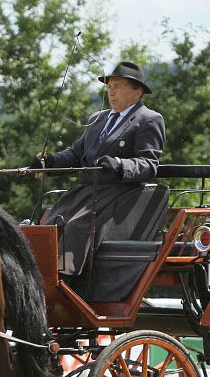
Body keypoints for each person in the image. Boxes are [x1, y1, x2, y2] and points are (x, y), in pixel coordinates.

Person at [33, 61, 165, 281]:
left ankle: (66, 278)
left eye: (118, 86)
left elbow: (148, 164)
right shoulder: (97, 119)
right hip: (86, 192)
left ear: (137, 91)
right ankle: (41, 275)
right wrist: (49, 161)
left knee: (75, 226)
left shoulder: (148, 119)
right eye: (109, 87)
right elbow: (75, 154)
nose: (111, 92)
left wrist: (119, 165)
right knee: (51, 223)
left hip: (118, 194)